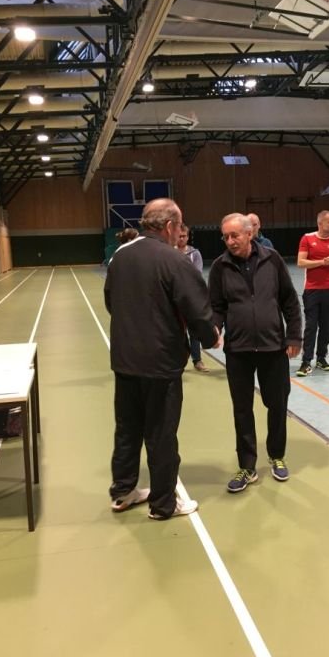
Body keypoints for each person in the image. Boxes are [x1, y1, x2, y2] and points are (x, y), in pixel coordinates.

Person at [104, 198, 220, 519]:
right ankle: (164, 504)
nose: (180, 233)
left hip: (125, 360)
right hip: (161, 363)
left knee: (127, 429)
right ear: (169, 226)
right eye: (179, 227)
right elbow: (196, 308)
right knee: (161, 434)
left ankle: (123, 491)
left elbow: (111, 302)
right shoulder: (174, 260)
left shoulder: (120, 255)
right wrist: (211, 336)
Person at [209, 213, 302, 493]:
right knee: (242, 409)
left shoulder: (272, 259)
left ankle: (277, 455)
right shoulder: (220, 266)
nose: (229, 241)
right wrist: (214, 327)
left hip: (273, 347)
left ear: (249, 234)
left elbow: (289, 300)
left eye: (234, 235)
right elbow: (216, 306)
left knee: (277, 404)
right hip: (238, 350)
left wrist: (294, 336)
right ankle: (247, 466)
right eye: (225, 236)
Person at [296, 210, 329, 377]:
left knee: (327, 327)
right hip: (312, 290)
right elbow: (301, 262)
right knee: (311, 326)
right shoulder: (307, 238)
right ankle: (306, 361)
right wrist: (322, 262)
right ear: (320, 223)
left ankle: (321, 358)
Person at [176, 224, 209, 372]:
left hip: (191, 299)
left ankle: (197, 360)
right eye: (179, 236)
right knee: (176, 330)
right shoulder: (169, 252)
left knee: (194, 331)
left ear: (188, 237)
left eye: (184, 236)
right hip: (174, 299)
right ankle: (178, 360)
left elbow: (197, 274)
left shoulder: (195, 254)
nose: (181, 239)